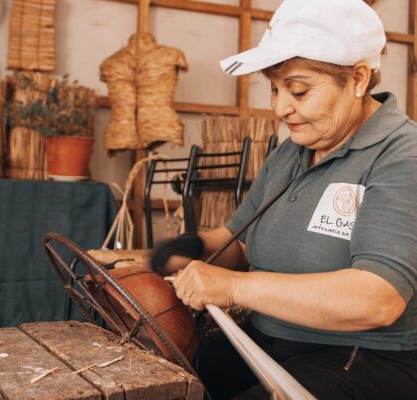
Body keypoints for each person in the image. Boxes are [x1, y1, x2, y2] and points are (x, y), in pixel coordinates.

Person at [151, 0, 417, 399]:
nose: (280, 108)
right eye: (274, 89)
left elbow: (377, 298)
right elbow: (239, 241)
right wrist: (193, 248)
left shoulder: (401, 155)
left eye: (298, 90)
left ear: (359, 79)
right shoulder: (291, 151)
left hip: (363, 357)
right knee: (162, 382)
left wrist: (236, 288)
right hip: (268, 340)